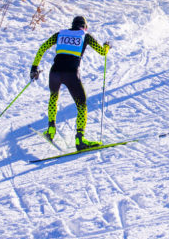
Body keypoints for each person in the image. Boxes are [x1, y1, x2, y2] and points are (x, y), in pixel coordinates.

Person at [30, 16, 110, 151]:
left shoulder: (60, 34)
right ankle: (80, 139)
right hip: (71, 73)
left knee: (53, 98)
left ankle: (50, 130)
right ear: (85, 27)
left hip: (54, 72)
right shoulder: (86, 35)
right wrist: (107, 46)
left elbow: (43, 47)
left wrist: (34, 68)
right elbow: (102, 52)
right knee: (81, 105)